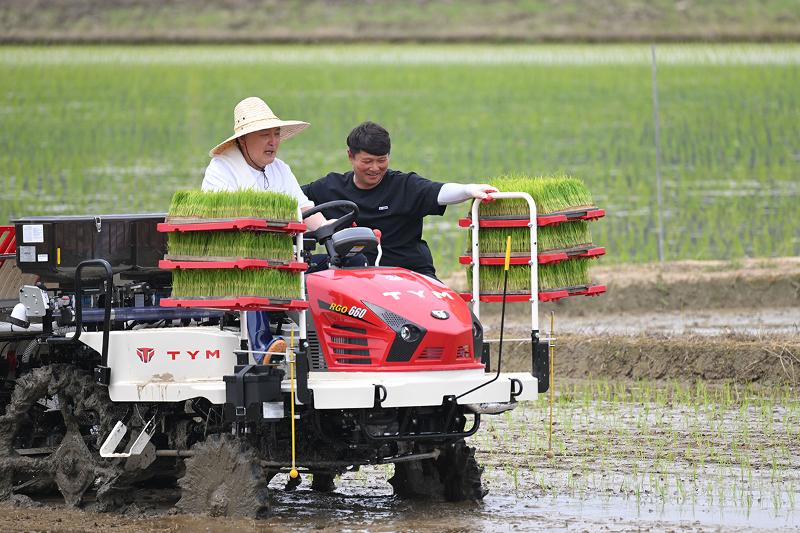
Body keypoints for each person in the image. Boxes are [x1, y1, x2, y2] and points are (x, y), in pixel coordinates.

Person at [202, 96, 327, 360]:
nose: (273, 142)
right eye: (264, 135)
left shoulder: (280, 169)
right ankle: (261, 346)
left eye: (276, 134)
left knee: (336, 264)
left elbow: (305, 209)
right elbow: (221, 221)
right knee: (254, 268)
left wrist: (334, 234)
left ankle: (333, 346)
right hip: (234, 260)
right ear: (243, 140)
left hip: (281, 257)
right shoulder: (221, 170)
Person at [302, 121, 497, 280]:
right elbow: (292, 198)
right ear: (350, 156)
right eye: (367, 161)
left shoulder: (404, 185)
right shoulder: (330, 187)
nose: (375, 168)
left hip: (411, 275)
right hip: (356, 278)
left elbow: (439, 191)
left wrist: (468, 189)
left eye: (382, 160)